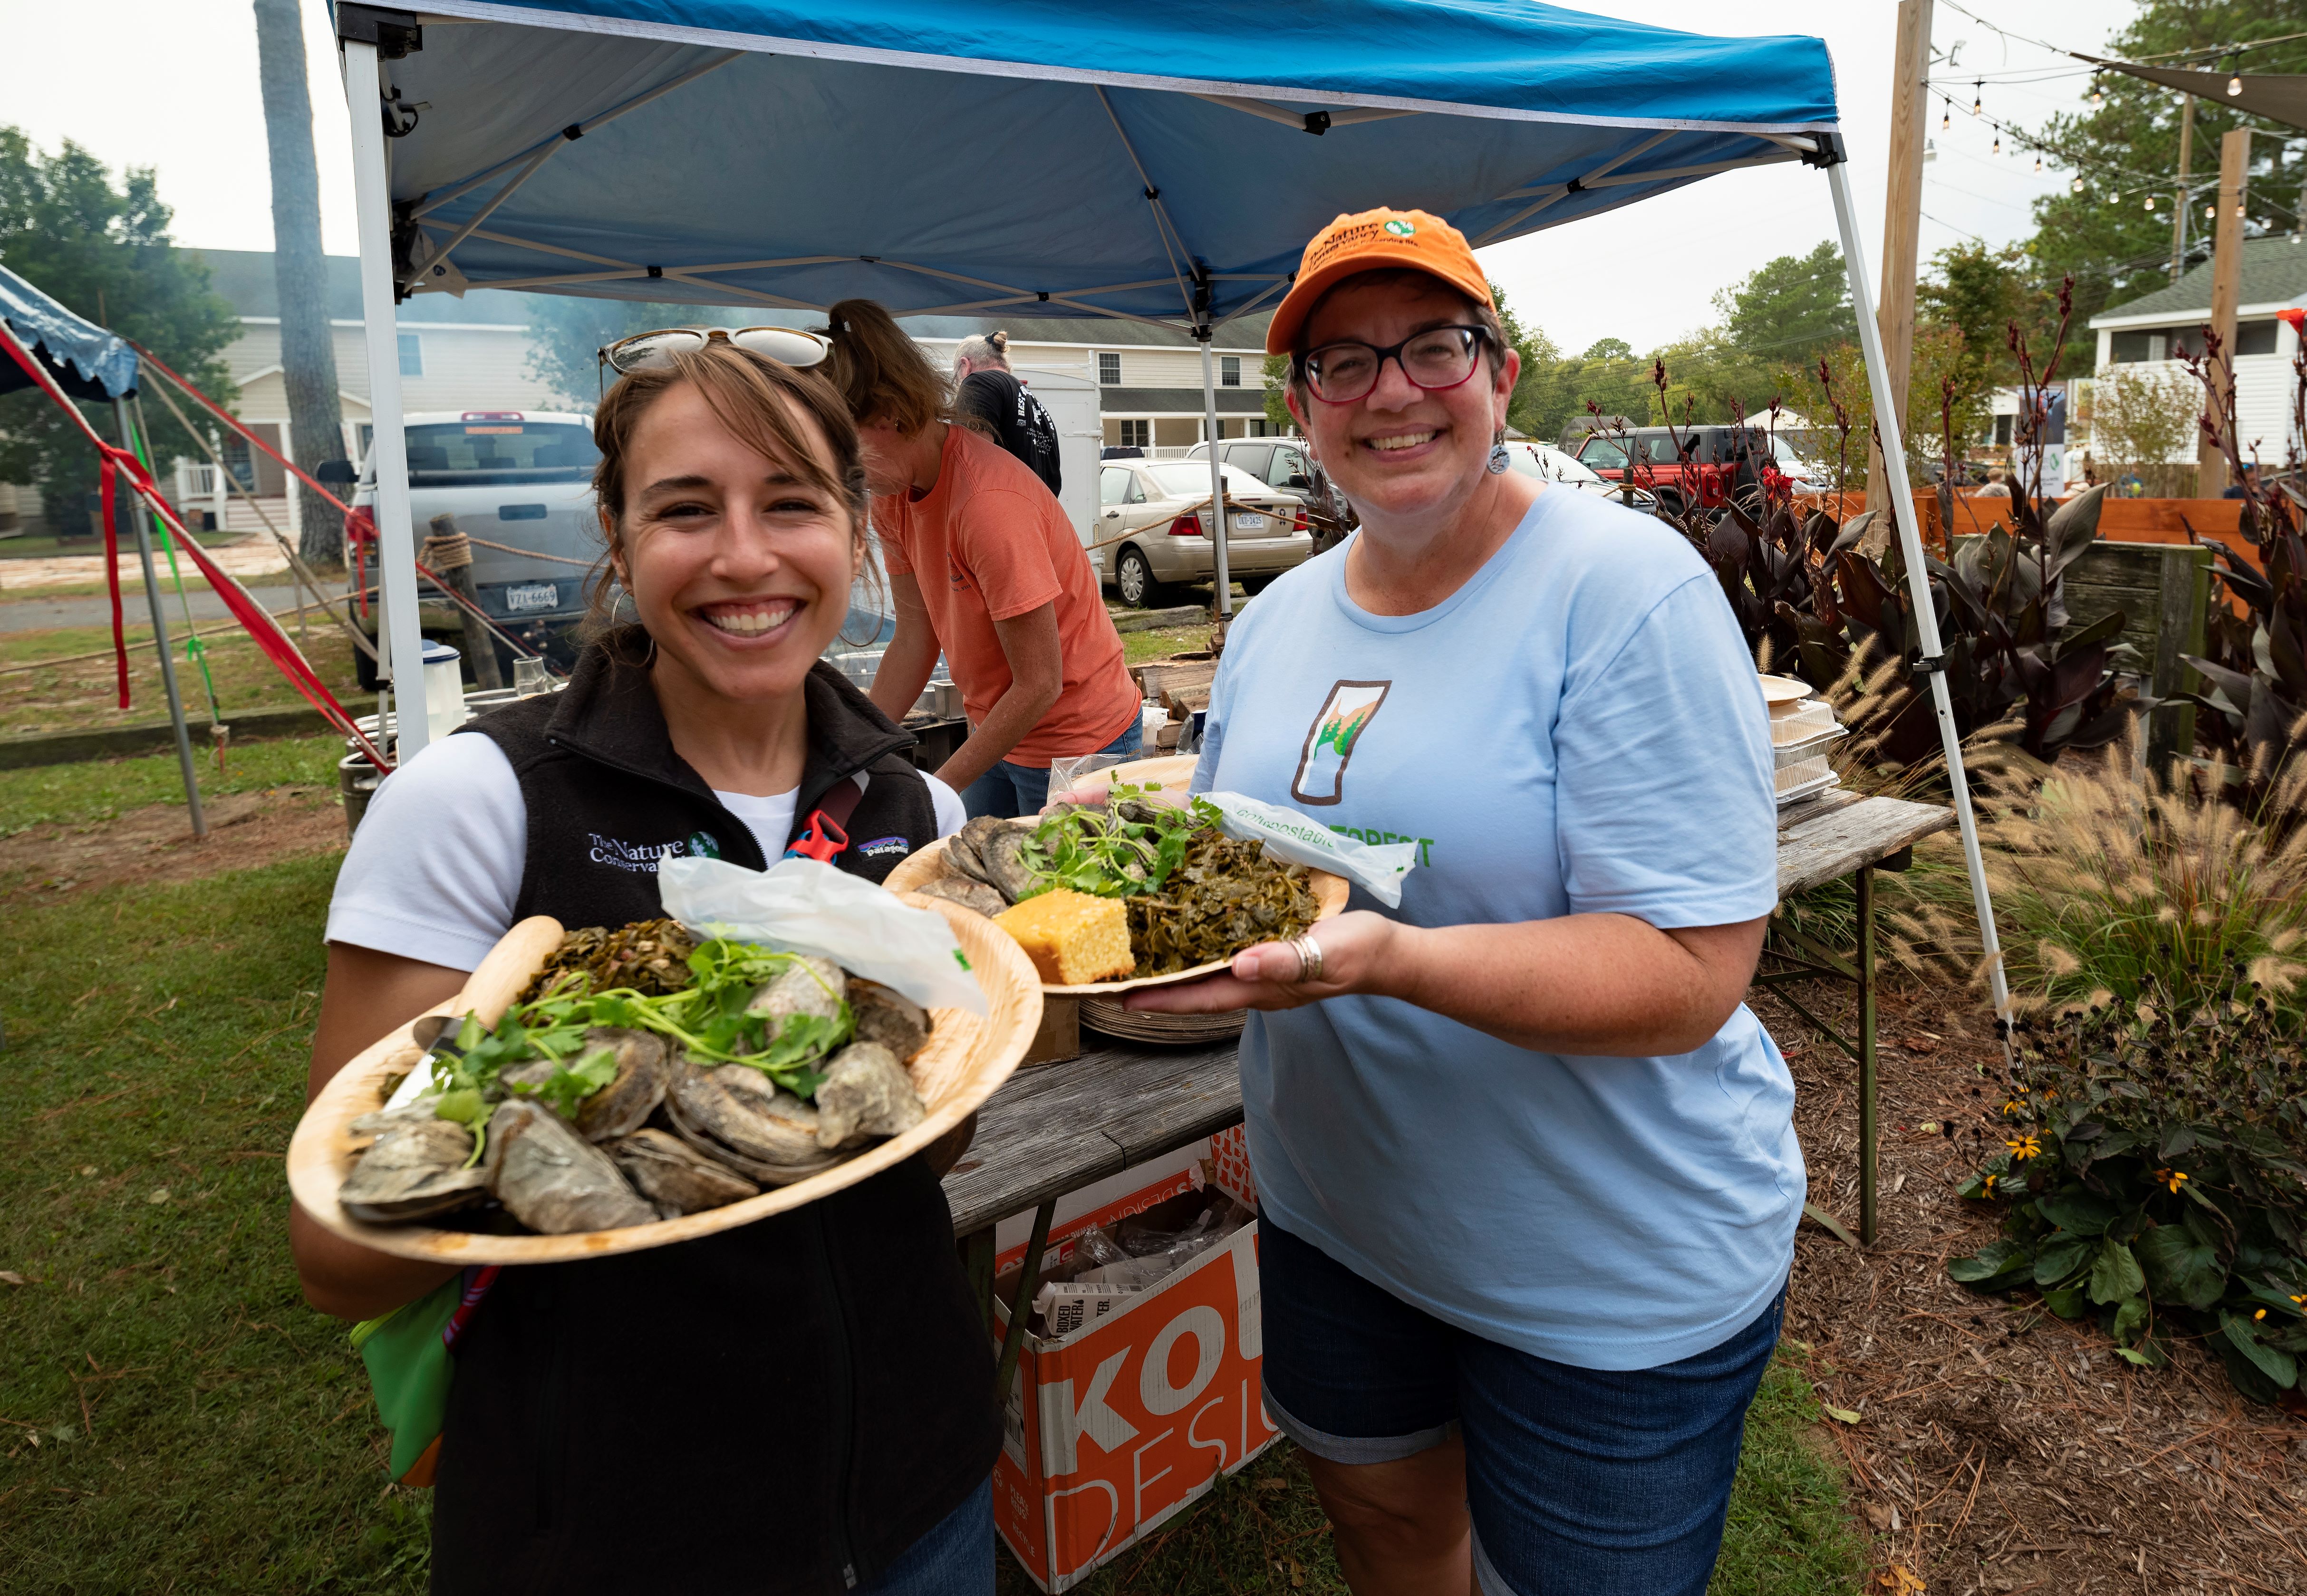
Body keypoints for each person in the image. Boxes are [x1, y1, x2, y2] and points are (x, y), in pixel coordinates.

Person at [1133, 209, 1797, 1595]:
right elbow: (1251, 853)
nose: (1390, 390)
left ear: (1499, 371)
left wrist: (1386, 962)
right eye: (1341, 362)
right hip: (1341, 1225)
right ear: (1304, 404)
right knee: (1392, 1543)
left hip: (1603, 1269)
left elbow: (1685, 976)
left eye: (1432, 345)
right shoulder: (1271, 627)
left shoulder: (1624, 595)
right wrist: (1131, 829)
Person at [291, 339, 1000, 1596]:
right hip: (613, 1526)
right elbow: (339, 1249)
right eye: (685, 508)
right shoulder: (475, 802)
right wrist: (564, 1107)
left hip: (921, 1480)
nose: (743, 555)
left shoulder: (916, 814)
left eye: (791, 501)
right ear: (617, 541)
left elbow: (924, 1144)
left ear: (857, 530)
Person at [823, 299, 1142, 817]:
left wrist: (930, 794)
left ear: (893, 416)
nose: (842, 475)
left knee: (1065, 896)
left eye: (845, 452)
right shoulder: (891, 493)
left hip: (1080, 737)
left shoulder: (988, 505)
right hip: (1000, 724)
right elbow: (912, 638)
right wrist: (851, 759)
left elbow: (1041, 681)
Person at [953, 329, 1063, 494]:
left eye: (957, 377)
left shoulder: (979, 382)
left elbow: (971, 456)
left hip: (1002, 512)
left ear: (965, 366)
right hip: (1040, 514)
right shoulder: (1036, 406)